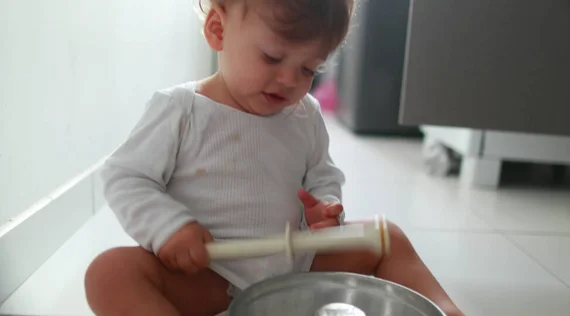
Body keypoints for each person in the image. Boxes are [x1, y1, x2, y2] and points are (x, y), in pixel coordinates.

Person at [84, 0, 464, 315]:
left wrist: (326, 208)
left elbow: (322, 174)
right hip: (211, 272)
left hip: (295, 264)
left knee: (387, 238)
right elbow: (126, 177)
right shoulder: (180, 109)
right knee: (110, 272)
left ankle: (448, 310)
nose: (289, 80)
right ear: (218, 29)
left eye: (308, 68)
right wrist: (168, 227)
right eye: (271, 57)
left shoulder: (306, 114)